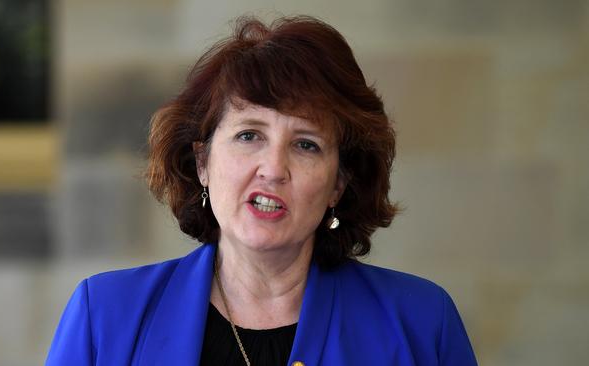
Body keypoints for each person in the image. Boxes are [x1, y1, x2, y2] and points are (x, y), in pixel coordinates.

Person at [46, 15, 477, 366]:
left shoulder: (421, 323)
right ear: (202, 164)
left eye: (306, 144)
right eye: (249, 135)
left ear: (338, 185)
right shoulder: (104, 317)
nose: (273, 169)